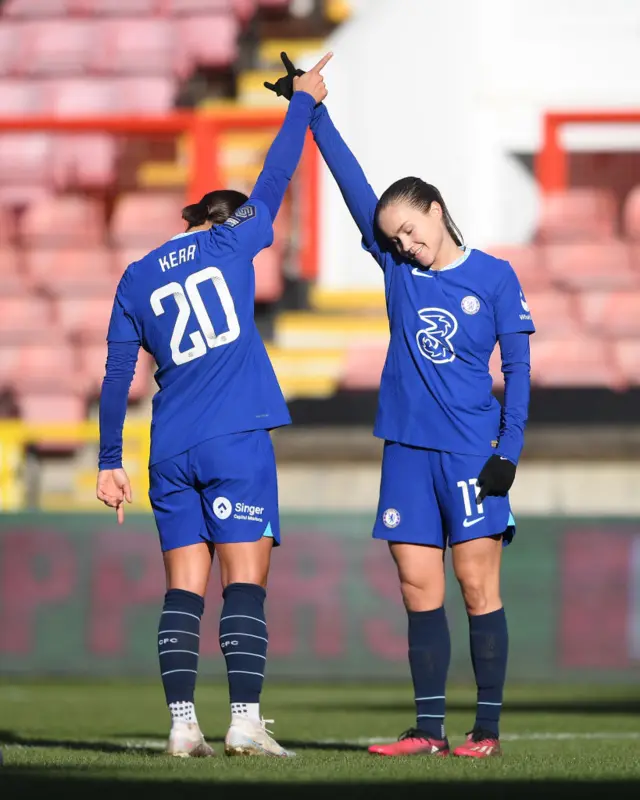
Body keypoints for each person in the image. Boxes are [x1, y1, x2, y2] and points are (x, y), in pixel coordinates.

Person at [266, 54, 534, 759]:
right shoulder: (396, 271)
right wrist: (311, 108)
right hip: (406, 452)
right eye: (393, 240)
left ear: (437, 211)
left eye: (411, 232)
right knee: (418, 586)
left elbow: (521, 368)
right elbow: (354, 184)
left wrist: (509, 451)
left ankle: (487, 731)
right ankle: (426, 729)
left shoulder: (496, 277)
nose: (404, 246)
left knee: (477, 587)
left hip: (474, 453)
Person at [96, 53, 332, 759]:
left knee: (182, 592)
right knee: (246, 587)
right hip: (235, 438)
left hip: (169, 447)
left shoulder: (134, 279)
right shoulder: (231, 244)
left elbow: (116, 378)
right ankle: (245, 720)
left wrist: (110, 462)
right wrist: (303, 102)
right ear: (214, 221)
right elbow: (278, 176)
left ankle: (179, 727)